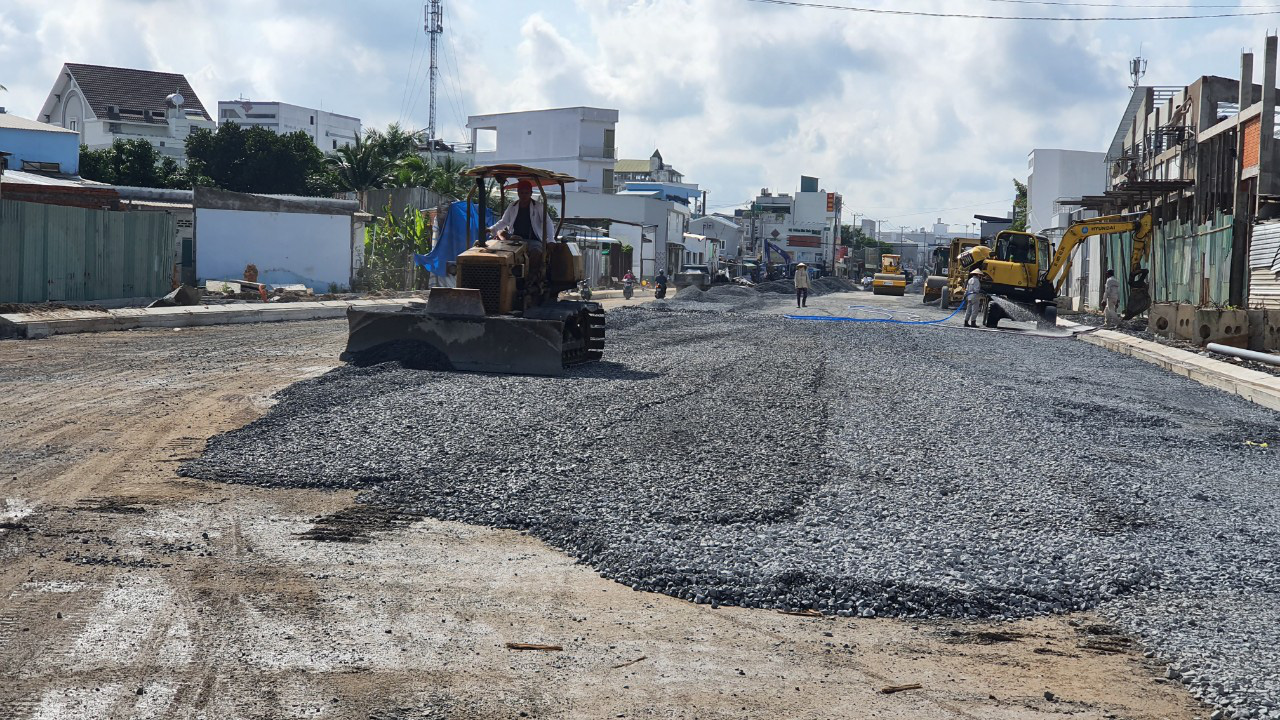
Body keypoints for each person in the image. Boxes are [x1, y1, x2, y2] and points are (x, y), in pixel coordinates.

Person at [489, 179, 555, 280]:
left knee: (537, 251)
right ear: (518, 193)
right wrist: (491, 229)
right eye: (521, 193)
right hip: (514, 239)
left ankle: (531, 278)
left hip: (532, 240)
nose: (524, 195)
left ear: (531, 193)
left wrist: (551, 240)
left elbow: (548, 222)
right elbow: (504, 222)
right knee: (496, 246)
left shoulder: (538, 207)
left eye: (526, 193)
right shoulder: (513, 206)